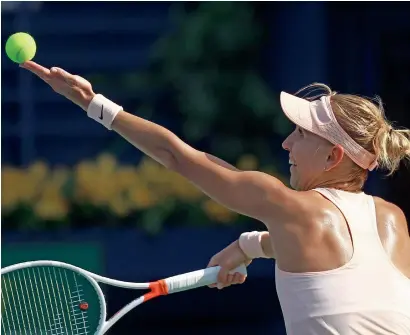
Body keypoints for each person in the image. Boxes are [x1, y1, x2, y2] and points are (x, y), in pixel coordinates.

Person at [21, 61, 410, 334]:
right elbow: (335, 258)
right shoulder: (392, 220)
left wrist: (94, 104)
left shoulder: (291, 209)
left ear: (333, 156)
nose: (287, 143)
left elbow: (176, 155)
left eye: (302, 135)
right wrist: (250, 245)